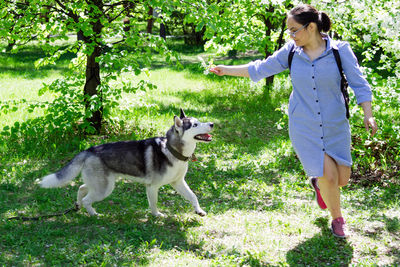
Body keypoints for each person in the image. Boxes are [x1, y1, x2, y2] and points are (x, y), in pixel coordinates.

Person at [209, 4, 378, 238]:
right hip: (304, 125)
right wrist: (225, 69)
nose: (290, 35)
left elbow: (360, 83)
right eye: (288, 31)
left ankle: (319, 185)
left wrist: (368, 114)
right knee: (328, 175)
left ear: (311, 27)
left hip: (335, 123)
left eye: (293, 30)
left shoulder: (340, 51)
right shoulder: (291, 52)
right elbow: (260, 68)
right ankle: (338, 219)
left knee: (341, 179)